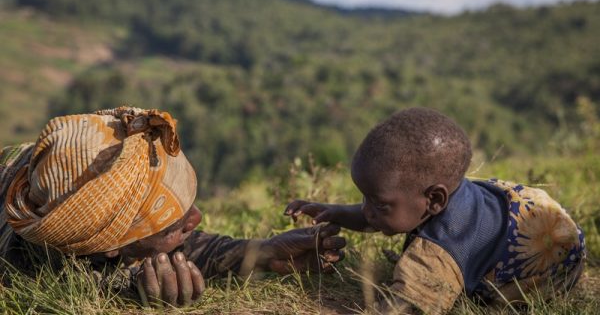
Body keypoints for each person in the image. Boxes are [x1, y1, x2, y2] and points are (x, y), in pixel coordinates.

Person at [0, 107, 346, 307]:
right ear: (110, 249)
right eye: (172, 226)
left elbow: (170, 246)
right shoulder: (28, 262)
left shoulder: (77, 168)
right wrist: (132, 291)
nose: (197, 218)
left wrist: (264, 252)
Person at [285, 107, 586, 314]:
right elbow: (375, 218)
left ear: (434, 200)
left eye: (377, 203)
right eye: (364, 198)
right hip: (528, 213)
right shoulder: (437, 194)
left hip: (555, 269)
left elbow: (405, 306)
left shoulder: (440, 250)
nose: (367, 210)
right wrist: (334, 212)